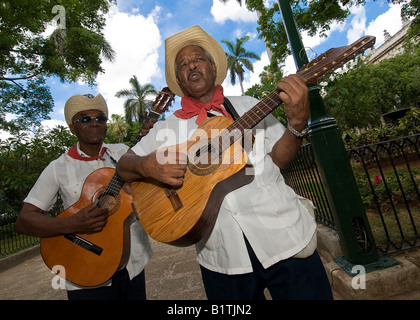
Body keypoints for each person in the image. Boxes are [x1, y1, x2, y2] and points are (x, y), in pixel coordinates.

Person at [116, 25, 332, 300]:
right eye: (183, 65)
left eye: (198, 59)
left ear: (213, 67)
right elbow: (124, 164)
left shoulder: (250, 105)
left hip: (284, 236)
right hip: (222, 255)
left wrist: (298, 124)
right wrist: (146, 165)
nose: (191, 66)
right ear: (179, 81)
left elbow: (279, 159)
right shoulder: (164, 130)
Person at [16, 93, 153, 300]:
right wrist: (72, 224)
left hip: (132, 265)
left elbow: (147, 187)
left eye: (100, 118)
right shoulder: (57, 168)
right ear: (73, 128)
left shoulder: (123, 153)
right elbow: (24, 221)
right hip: (84, 272)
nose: (94, 123)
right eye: (85, 119)